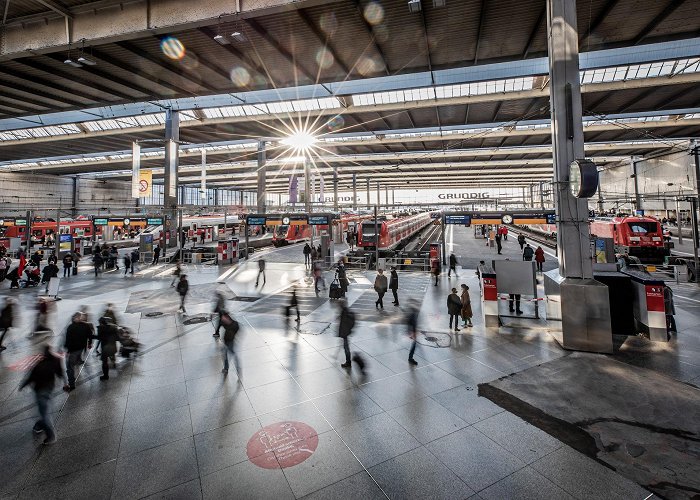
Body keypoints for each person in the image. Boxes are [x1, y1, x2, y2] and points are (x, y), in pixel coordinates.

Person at [19, 345, 64, 444]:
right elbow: (60, 373)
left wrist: (22, 386)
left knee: (44, 413)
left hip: (40, 391)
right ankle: (39, 425)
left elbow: (31, 377)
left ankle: (51, 436)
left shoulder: (40, 364)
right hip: (49, 388)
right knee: (44, 411)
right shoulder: (55, 361)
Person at [64, 312, 92, 390]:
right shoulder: (85, 325)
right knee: (75, 359)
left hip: (73, 350)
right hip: (81, 348)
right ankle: (78, 360)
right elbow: (90, 334)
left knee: (69, 367)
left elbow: (68, 340)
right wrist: (90, 343)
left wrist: (67, 350)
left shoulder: (71, 327)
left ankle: (71, 384)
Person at [221, 312, 241, 378]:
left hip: (230, 342)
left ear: (228, 318)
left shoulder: (234, 324)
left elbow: (236, 329)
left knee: (234, 355)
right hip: (226, 342)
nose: (223, 319)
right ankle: (226, 368)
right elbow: (222, 324)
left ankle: (238, 370)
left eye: (224, 318)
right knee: (225, 354)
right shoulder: (226, 324)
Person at [337, 300, 355, 368]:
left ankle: (348, 362)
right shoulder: (344, 311)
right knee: (345, 347)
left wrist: (343, 333)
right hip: (345, 333)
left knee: (346, 348)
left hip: (345, 333)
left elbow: (344, 324)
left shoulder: (344, 313)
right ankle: (348, 361)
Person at [406, 299, 419, 366]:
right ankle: (410, 358)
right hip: (413, 332)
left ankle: (410, 358)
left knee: (414, 345)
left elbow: (412, 323)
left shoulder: (413, 314)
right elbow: (411, 323)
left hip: (413, 332)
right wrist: (412, 333)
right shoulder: (413, 315)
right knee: (414, 345)